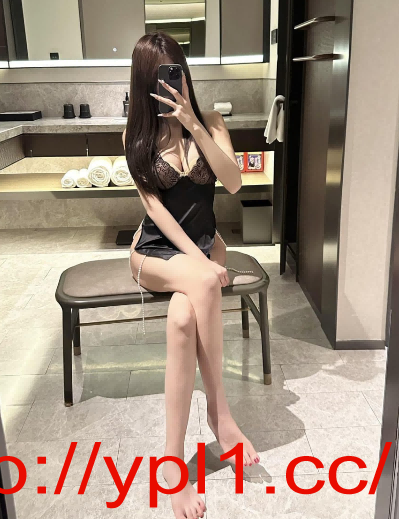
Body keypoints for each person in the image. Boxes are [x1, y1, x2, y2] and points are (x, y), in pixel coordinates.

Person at [123, 32, 259, 519]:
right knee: (202, 282)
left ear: (185, 73)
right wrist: (199, 264)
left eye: (176, 72)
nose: (171, 83)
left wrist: (193, 126)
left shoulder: (212, 122)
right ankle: (221, 415)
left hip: (202, 247)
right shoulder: (136, 137)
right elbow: (155, 212)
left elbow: (234, 182)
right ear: (144, 82)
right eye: (160, 76)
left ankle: (171, 460)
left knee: (182, 322)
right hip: (155, 252)